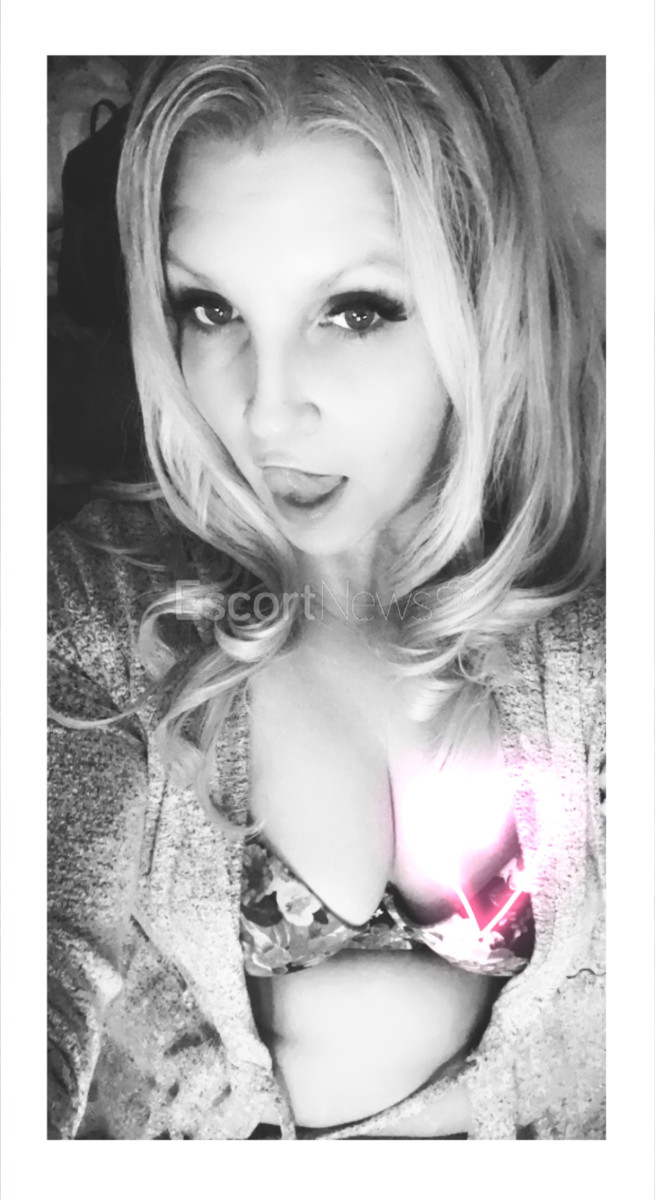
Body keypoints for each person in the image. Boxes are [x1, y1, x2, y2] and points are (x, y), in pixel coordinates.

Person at [47, 55, 605, 1140]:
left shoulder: (589, 625)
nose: (265, 412)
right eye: (209, 307)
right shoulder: (91, 617)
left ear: (485, 298)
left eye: (354, 310)